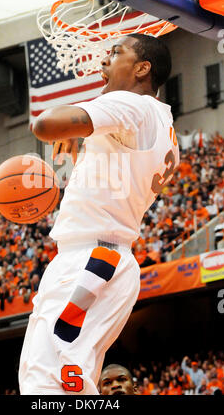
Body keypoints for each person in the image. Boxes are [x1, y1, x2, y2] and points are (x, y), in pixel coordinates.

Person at [18, 34, 179, 395]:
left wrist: (78, 123)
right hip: (101, 259)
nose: (104, 62)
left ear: (142, 68)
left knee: (49, 379)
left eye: (116, 53)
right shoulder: (161, 125)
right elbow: (113, 180)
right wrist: (82, 146)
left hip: (93, 260)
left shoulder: (132, 106)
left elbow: (44, 124)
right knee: (57, 376)